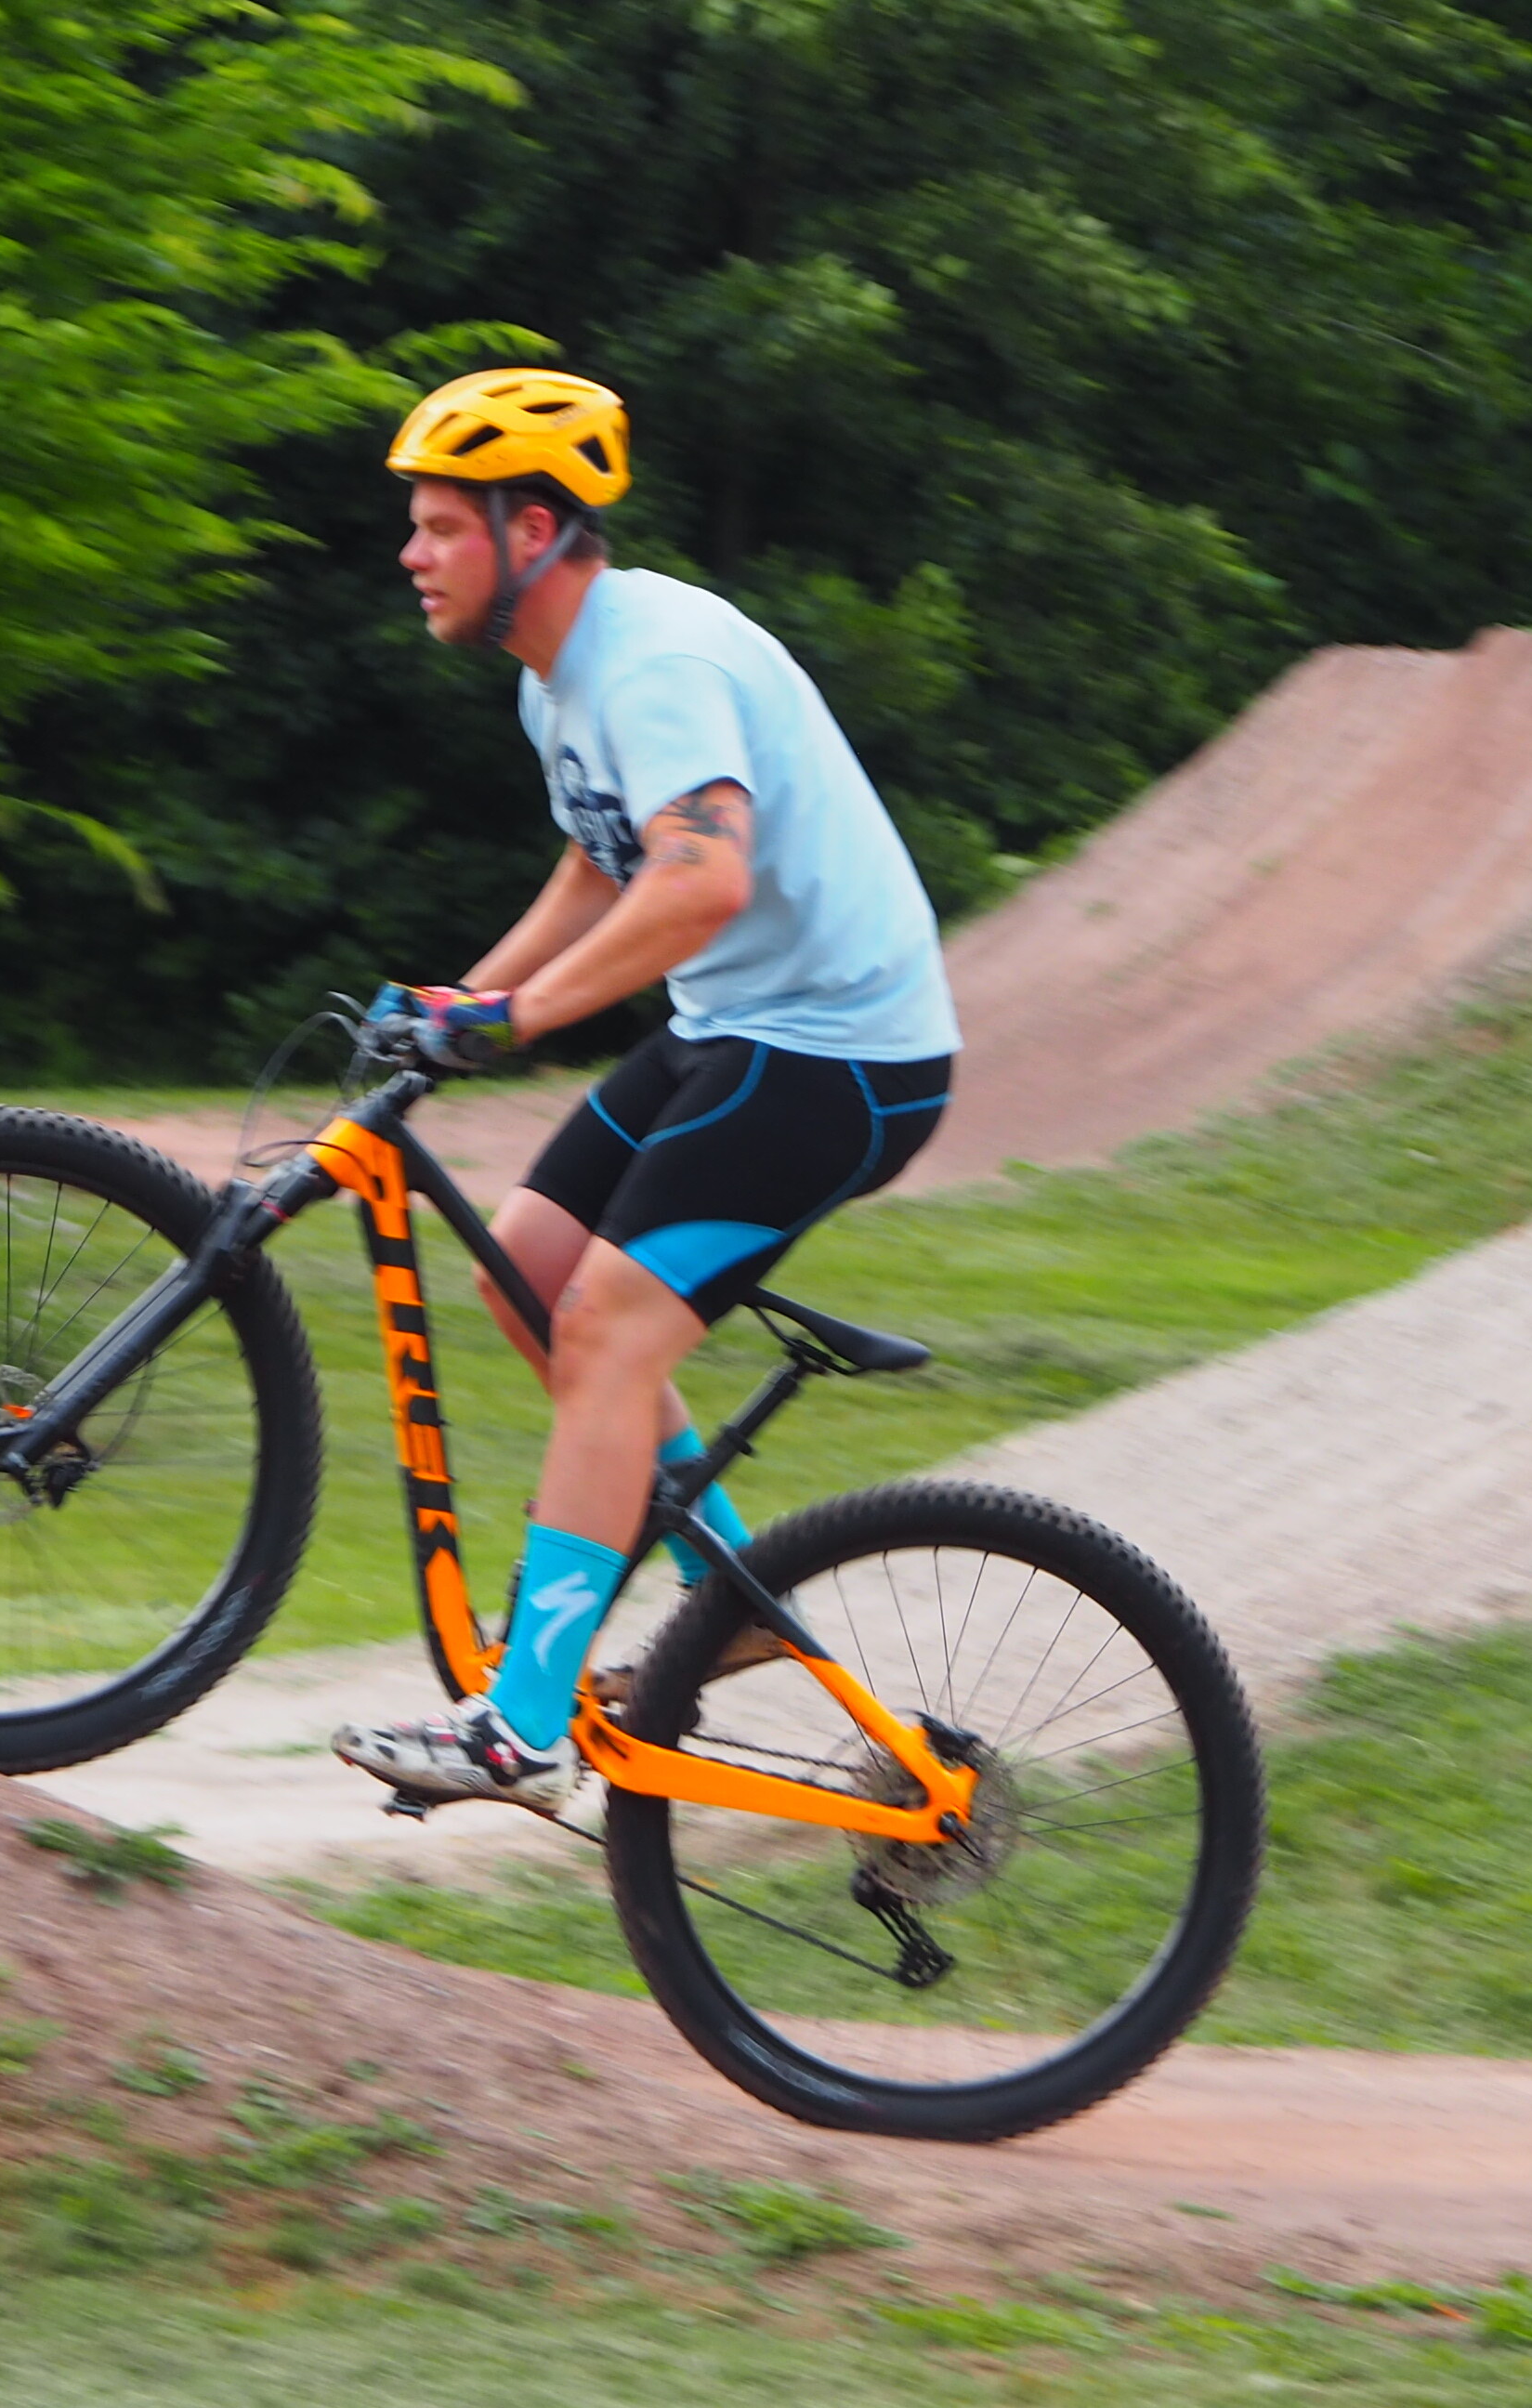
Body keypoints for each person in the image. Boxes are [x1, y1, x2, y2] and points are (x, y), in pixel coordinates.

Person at [332, 368, 961, 1813]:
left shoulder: (655, 661)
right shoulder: (560, 678)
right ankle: (727, 1597)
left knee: (608, 1329)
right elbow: (600, 859)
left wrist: (519, 1018)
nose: (412, 553)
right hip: (736, 1027)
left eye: (441, 525)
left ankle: (519, 1729)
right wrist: (462, 999)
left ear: (532, 529)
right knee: (526, 1272)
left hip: (843, 1054)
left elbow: (701, 879)